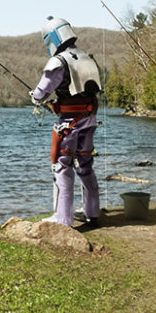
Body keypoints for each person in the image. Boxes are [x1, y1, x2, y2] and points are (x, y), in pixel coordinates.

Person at [30, 16, 103, 228]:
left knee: (62, 166)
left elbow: (42, 91)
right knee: (85, 165)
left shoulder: (58, 61)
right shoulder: (85, 57)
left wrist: (35, 97)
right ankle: (92, 212)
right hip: (89, 119)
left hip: (69, 124)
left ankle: (63, 219)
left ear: (51, 38)